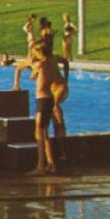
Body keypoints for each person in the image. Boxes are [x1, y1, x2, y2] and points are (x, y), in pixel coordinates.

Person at [13, 41, 70, 174]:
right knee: (44, 134)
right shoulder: (52, 62)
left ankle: (40, 166)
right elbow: (57, 77)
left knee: (39, 134)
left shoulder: (40, 64)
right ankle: (50, 164)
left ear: (39, 53)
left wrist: (31, 66)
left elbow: (31, 75)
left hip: (43, 100)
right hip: (47, 99)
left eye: (34, 52)